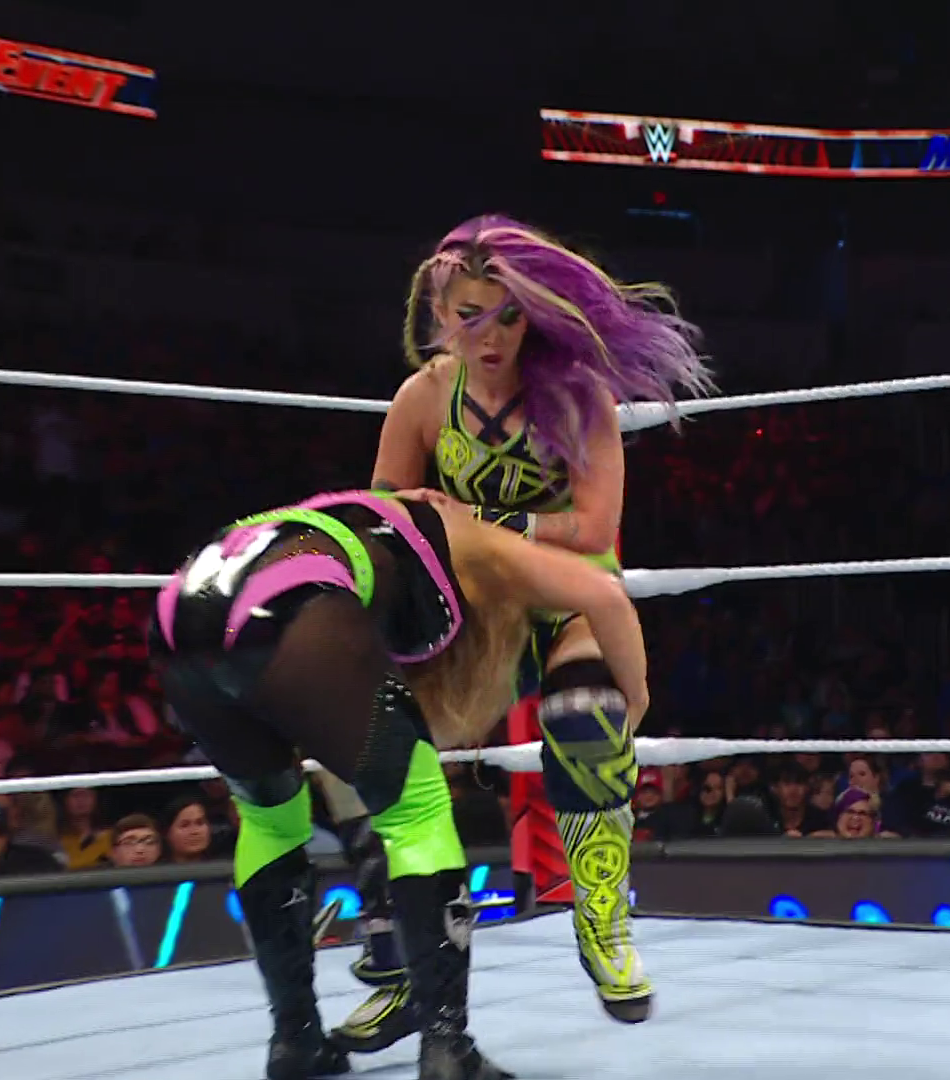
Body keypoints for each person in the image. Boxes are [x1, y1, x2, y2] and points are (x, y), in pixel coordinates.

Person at [150, 488, 647, 1080]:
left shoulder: (370, 521)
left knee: (269, 821)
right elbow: (602, 593)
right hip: (288, 608)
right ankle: (447, 1048)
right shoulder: (484, 544)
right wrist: (636, 699)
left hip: (177, 616)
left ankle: (296, 1042)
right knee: (417, 814)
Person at [355, 214, 711, 1036]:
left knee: (588, 715)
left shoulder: (577, 397)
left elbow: (593, 529)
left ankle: (604, 924)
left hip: (569, 597)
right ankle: (403, 960)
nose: (491, 336)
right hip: (468, 607)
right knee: (377, 734)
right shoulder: (422, 399)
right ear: (439, 312)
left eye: (508, 315)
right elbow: (384, 517)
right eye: (470, 315)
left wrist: (475, 521)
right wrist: (426, 527)